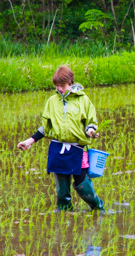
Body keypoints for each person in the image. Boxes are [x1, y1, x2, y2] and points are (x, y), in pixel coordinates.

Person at [17, 65, 104, 211]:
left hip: (78, 148)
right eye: (57, 86)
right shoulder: (52, 101)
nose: (59, 89)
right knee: (62, 191)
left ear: (70, 82)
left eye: (62, 85)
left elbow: (91, 122)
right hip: (58, 149)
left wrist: (91, 131)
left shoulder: (83, 100)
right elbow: (46, 127)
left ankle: (98, 208)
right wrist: (29, 141)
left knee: (82, 184)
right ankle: (65, 216)